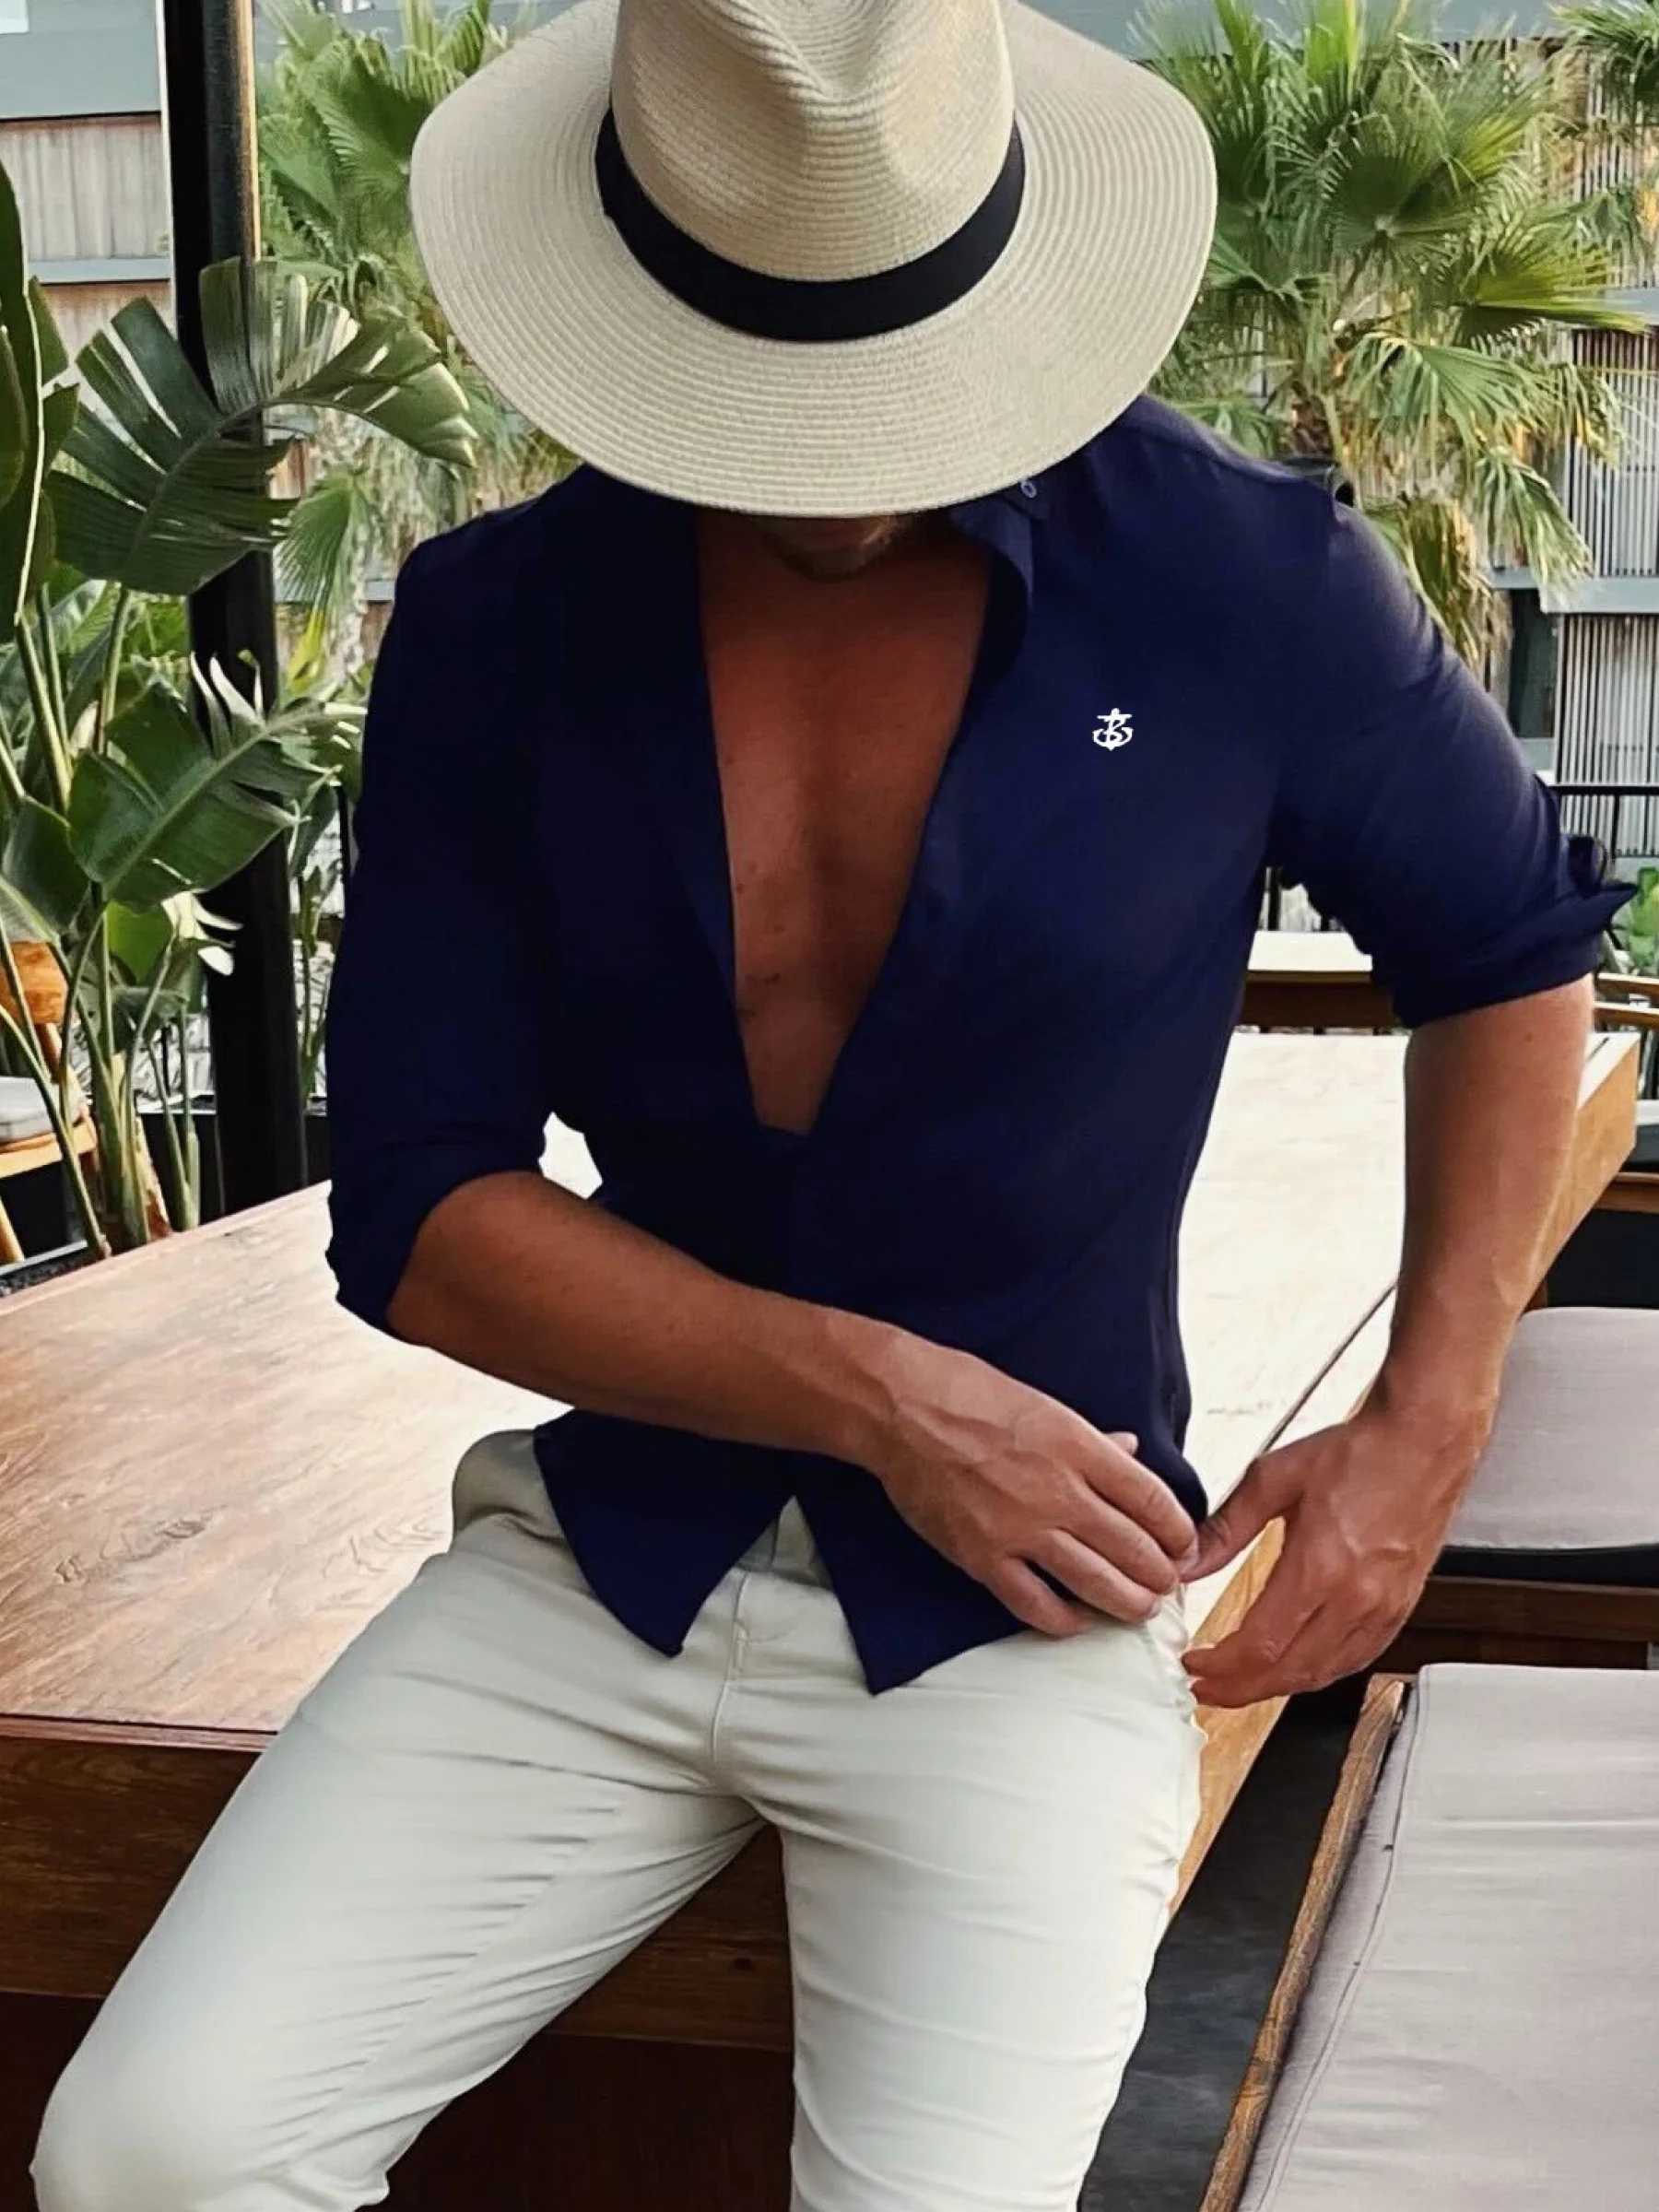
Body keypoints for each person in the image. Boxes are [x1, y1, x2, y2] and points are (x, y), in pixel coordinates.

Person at [31, 2, 1630, 2208]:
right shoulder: (501, 627)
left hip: (1033, 1603)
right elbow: (414, 1205)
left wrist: (1423, 1432)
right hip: (602, 1563)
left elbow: (1511, 945)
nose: (839, 462)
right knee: (154, 2150)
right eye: (767, 384)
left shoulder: (1233, 578)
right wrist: (884, 1403)